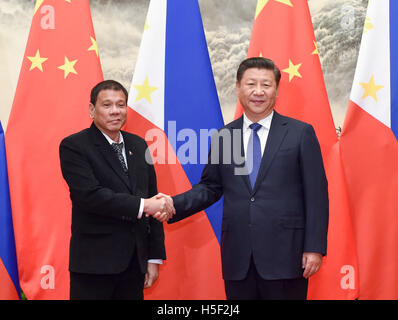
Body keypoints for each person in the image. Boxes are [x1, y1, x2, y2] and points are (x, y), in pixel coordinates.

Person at [153, 57, 329, 300]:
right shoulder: (226, 136)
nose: (258, 92)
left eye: (266, 85)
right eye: (251, 84)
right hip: (238, 258)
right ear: (238, 87)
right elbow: (210, 187)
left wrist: (314, 247)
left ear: (276, 90)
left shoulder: (300, 133)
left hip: (286, 255)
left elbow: (316, 195)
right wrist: (173, 204)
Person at [59, 80, 171, 300]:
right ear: (92, 109)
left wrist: (153, 258)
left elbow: (152, 195)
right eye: (107, 105)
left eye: (121, 105)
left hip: (134, 265)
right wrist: (144, 205)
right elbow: (90, 196)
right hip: (94, 266)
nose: (115, 111)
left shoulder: (139, 145)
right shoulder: (74, 146)